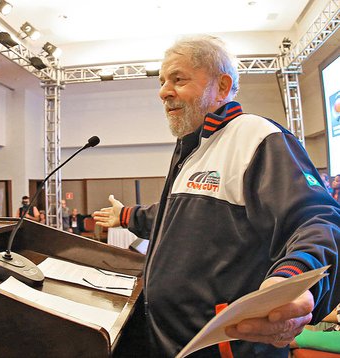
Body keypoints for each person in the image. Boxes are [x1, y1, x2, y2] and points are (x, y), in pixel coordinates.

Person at [93, 35, 340, 357]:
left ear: (222, 87)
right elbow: (179, 220)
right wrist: (126, 216)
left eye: (178, 79)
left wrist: (292, 282)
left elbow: (318, 220)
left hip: (225, 347)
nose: (163, 91)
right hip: (171, 341)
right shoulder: (194, 147)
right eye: (162, 81)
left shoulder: (257, 135)